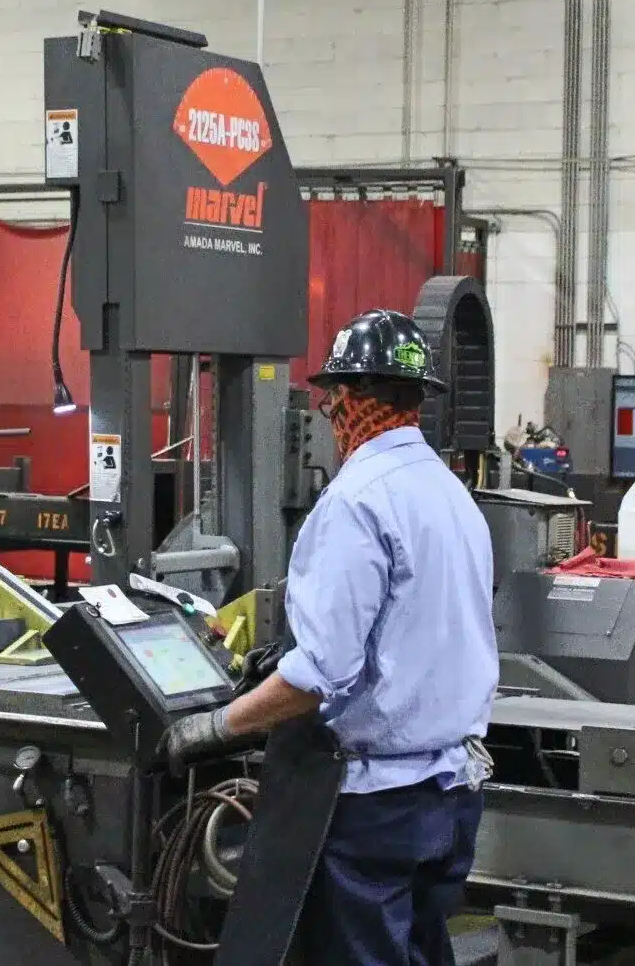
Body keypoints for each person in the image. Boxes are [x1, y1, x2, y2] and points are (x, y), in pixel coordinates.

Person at [167, 308, 499, 965]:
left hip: (376, 809)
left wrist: (215, 727)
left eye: (330, 402)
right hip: (453, 795)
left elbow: (318, 675)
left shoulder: (355, 502)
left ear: (346, 401)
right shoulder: (452, 494)